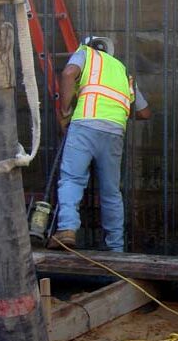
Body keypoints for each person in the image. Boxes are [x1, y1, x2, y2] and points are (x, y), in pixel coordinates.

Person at [49, 36, 151, 251]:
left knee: (72, 179)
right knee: (111, 191)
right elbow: (144, 112)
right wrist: (117, 111)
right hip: (114, 131)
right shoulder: (123, 72)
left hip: (85, 123)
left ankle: (67, 229)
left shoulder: (86, 53)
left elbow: (68, 74)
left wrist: (66, 111)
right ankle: (116, 247)